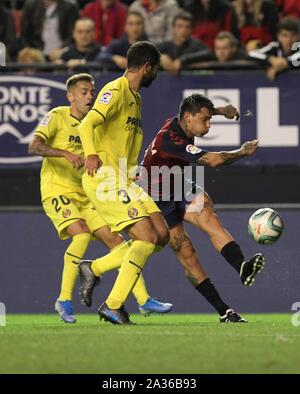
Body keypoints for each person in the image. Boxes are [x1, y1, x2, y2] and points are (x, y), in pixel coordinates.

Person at [28, 72, 172, 324]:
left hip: (88, 192)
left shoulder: (98, 123)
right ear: (70, 95)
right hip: (58, 190)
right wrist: (64, 154)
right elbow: (34, 146)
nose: (89, 96)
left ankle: (141, 298)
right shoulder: (57, 116)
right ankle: (64, 299)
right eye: (83, 92)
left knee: (119, 241)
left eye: (91, 91)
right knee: (82, 234)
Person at [138, 94, 265, 322]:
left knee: (208, 214)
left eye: (209, 120)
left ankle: (242, 266)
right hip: (155, 199)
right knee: (186, 251)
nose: (208, 125)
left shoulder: (180, 121)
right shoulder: (170, 140)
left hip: (178, 185)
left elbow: (196, 110)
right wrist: (242, 151)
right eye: (205, 120)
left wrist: (221, 111)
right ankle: (223, 311)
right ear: (188, 118)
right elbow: (214, 161)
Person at [78, 41, 170, 325]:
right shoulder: (115, 90)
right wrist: (91, 154)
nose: (156, 74)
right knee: (145, 237)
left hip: (123, 178)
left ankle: (95, 268)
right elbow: (85, 124)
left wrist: (133, 172)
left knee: (161, 235)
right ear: (146, 67)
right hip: (103, 176)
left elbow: (126, 143)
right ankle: (113, 305)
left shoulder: (136, 99)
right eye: (155, 69)